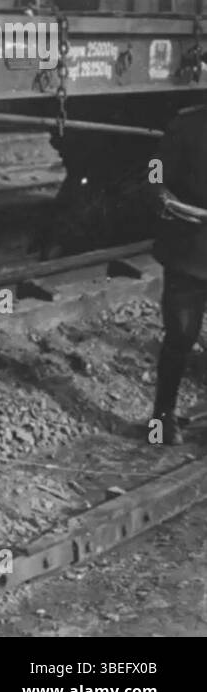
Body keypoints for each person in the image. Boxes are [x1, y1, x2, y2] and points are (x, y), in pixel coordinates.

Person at [149, 104, 207, 445]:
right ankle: (161, 419)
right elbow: (155, 170)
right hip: (189, 251)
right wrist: (161, 195)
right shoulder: (185, 124)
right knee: (180, 337)